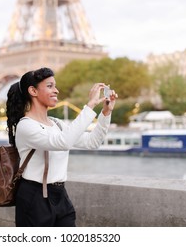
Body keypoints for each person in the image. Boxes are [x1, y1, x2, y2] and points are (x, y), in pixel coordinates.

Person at [6, 67, 117, 227]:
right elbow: (63, 142)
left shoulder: (57, 123)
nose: (56, 91)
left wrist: (106, 113)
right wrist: (90, 104)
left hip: (60, 196)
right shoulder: (26, 126)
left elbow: (92, 142)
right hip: (34, 198)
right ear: (33, 91)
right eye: (50, 86)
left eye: (55, 86)